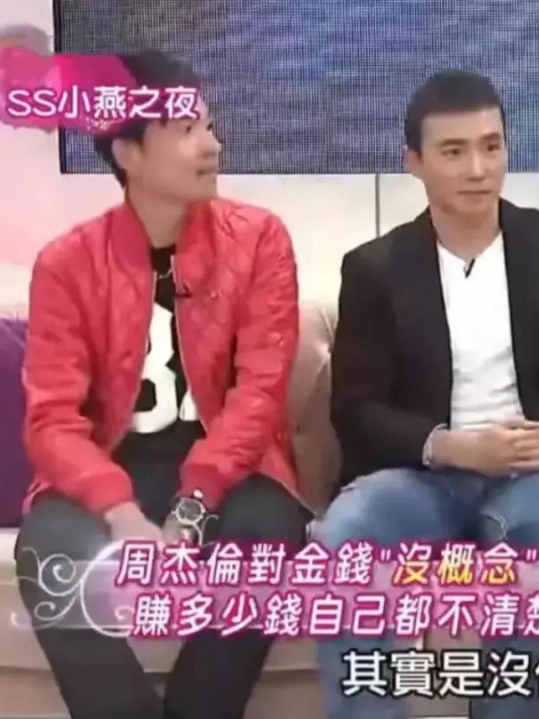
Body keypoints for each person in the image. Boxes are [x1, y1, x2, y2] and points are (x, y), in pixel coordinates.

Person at [313, 69, 539, 719]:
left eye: (491, 146)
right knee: (346, 535)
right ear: (414, 162)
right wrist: (452, 447)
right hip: (420, 476)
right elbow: (355, 410)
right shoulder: (374, 268)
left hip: (537, 475)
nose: (478, 168)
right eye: (454, 151)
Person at [15, 49, 310, 719]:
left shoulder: (259, 240)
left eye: (208, 125)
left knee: (267, 536)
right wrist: (121, 514)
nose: (212, 145)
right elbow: (53, 421)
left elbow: (260, 393)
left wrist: (194, 503)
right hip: (109, 463)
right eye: (185, 130)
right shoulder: (66, 263)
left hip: (232, 467)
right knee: (49, 551)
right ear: (129, 154)